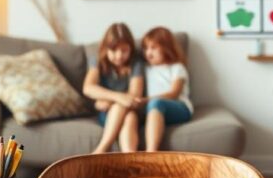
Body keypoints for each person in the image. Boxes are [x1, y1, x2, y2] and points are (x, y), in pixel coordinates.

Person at [82, 22, 145, 153]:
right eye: (114, 50)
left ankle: (102, 148)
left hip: (130, 108)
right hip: (108, 114)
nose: (119, 55)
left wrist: (104, 100)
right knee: (128, 114)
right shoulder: (98, 60)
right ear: (105, 48)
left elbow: (134, 96)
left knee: (130, 115)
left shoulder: (136, 62)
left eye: (124, 50)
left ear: (131, 49)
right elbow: (88, 87)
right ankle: (130, 161)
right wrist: (118, 97)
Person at [130, 26, 192, 152]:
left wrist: (147, 100)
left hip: (180, 107)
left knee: (156, 103)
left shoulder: (177, 68)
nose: (148, 52)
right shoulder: (145, 69)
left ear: (166, 48)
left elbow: (174, 93)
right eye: (146, 48)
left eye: (153, 48)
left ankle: (151, 152)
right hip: (153, 108)